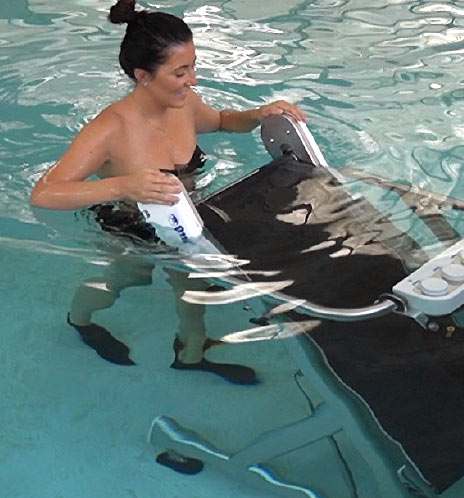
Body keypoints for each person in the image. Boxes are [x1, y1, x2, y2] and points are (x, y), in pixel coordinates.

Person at [30, 0, 306, 385]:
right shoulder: (109, 129)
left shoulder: (183, 103)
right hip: (129, 224)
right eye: (180, 71)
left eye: (192, 66)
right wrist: (125, 184)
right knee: (124, 279)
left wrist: (260, 114)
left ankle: (191, 355)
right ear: (143, 76)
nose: (192, 79)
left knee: (193, 285)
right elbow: (44, 193)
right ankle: (80, 321)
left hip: (183, 218)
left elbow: (223, 121)